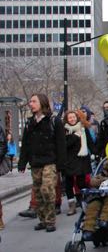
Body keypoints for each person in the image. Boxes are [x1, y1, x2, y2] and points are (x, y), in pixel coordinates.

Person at [17, 93, 67, 232]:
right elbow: (26, 144)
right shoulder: (29, 123)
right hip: (35, 162)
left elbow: (61, 143)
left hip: (50, 162)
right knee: (38, 193)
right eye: (30, 101)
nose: (30, 104)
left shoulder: (54, 121)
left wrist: (61, 165)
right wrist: (22, 162)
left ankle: (50, 220)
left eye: (34, 101)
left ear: (42, 103)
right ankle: (43, 220)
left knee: (47, 189)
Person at [63, 109, 96, 215]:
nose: (72, 119)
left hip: (82, 159)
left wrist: (94, 153)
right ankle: (71, 205)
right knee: (68, 183)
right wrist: (75, 136)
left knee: (81, 183)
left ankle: (83, 202)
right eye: (70, 118)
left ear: (77, 118)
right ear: (67, 119)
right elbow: (65, 145)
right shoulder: (65, 130)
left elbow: (90, 141)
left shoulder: (83, 128)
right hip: (69, 160)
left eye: (73, 117)